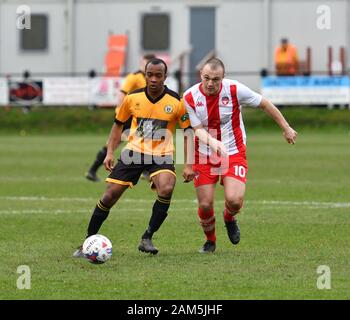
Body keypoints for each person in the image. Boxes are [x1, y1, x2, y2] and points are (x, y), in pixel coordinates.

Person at [74, 58, 193, 256]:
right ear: (144, 75)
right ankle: (88, 241)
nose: (154, 79)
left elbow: (188, 133)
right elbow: (118, 125)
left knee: (167, 187)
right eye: (150, 75)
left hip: (161, 155)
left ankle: (147, 237)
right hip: (134, 153)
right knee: (109, 195)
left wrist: (189, 164)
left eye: (158, 75)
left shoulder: (176, 102)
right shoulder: (132, 98)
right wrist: (110, 152)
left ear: (165, 77)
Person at [182, 58, 297, 253]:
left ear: (223, 78)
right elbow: (196, 129)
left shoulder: (235, 90)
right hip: (203, 154)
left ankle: (229, 217)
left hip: (233, 151)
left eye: (216, 79)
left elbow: (265, 104)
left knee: (234, 200)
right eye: (207, 78)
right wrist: (210, 146)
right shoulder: (189, 97)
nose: (210, 83)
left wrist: (286, 128)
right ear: (201, 74)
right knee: (205, 204)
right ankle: (210, 241)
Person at [85, 53, 156, 182]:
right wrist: (120, 112)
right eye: (146, 63)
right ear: (142, 62)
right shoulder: (134, 77)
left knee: (145, 141)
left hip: (141, 117)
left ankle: (145, 171)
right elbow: (122, 93)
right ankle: (92, 170)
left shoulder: (149, 79)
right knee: (113, 144)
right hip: (128, 117)